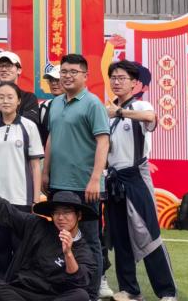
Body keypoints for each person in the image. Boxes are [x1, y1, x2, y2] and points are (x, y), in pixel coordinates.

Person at [0, 183, 96, 301]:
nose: (61, 217)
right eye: (56, 212)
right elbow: (5, 209)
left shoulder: (84, 251)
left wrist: (68, 253)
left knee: (81, 296)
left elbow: (79, 281)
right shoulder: (37, 226)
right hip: (21, 293)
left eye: (67, 212)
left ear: (79, 216)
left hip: (53, 297)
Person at [105, 59, 178, 301]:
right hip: (113, 180)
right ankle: (130, 290)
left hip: (136, 177)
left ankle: (167, 292)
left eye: (122, 78)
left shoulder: (139, 105)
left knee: (149, 234)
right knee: (120, 236)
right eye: (113, 77)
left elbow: (151, 117)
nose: (116, 82)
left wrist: (120, 112)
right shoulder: (107, 112)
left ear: (134, 83)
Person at [42, 53, 110, 301]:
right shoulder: (55, 104)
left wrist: (95, 179)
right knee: (59, 238)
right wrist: (45, 171)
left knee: (90, 240)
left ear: (85, 76)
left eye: (73, 72)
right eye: (64, 72)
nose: (67, 76)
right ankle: (66, 287)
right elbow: (52, 138)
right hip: (58, 184)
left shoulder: (93, 104)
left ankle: (91, 292)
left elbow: (103, 141)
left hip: (85, 186)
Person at [0, 82, 43, 292]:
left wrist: (36, 198)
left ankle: (20, 290)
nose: (5, 101)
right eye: (1, 97)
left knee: (21, 248)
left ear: (19, 101)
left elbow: (35, 165)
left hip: (21, 198)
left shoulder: (29, 126)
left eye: (10, 97)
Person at [36, 66, 62, 146]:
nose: (53, 83)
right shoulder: (42, 107)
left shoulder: (82, 105)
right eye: (51, 80)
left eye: (57, 80)